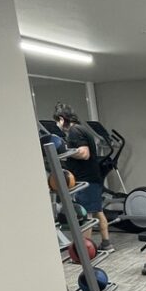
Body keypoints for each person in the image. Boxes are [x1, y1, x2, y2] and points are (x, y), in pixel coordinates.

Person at [53, 103, 114, 253]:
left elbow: (84, 153)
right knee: (97, 211)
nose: (57, 125)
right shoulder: (80, 129)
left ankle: (84, 252)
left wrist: (65, 152)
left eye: (57, 121)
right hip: (92, 178)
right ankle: (106, 243)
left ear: (62, 119)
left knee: (87, 215)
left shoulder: (75, 131)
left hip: (86, 180)